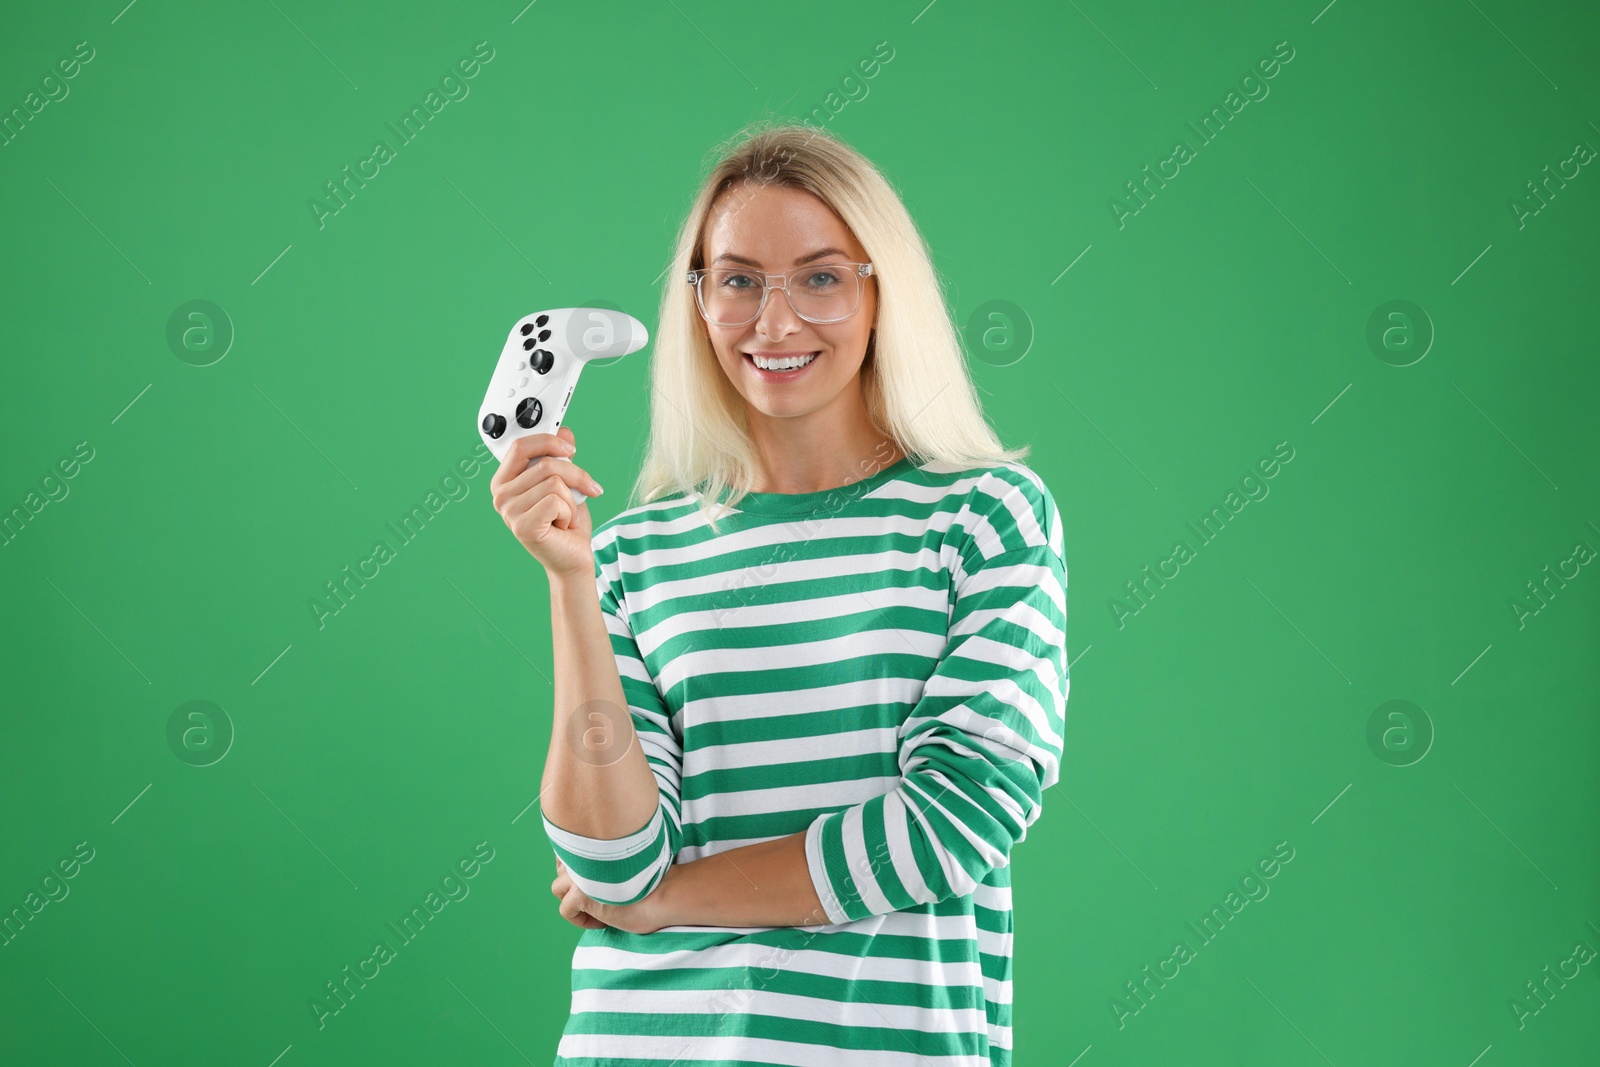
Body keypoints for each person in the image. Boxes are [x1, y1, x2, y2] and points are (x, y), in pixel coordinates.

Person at [489, 119, 1068, 1067]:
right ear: (699, 300)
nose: (775, 321)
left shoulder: (985, 518)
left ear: (884, 293)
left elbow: (956, 820)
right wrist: (570, 581)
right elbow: (610, 864)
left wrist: (670, 898)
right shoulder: (636, 553)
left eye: (822, 276)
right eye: (739, 279)